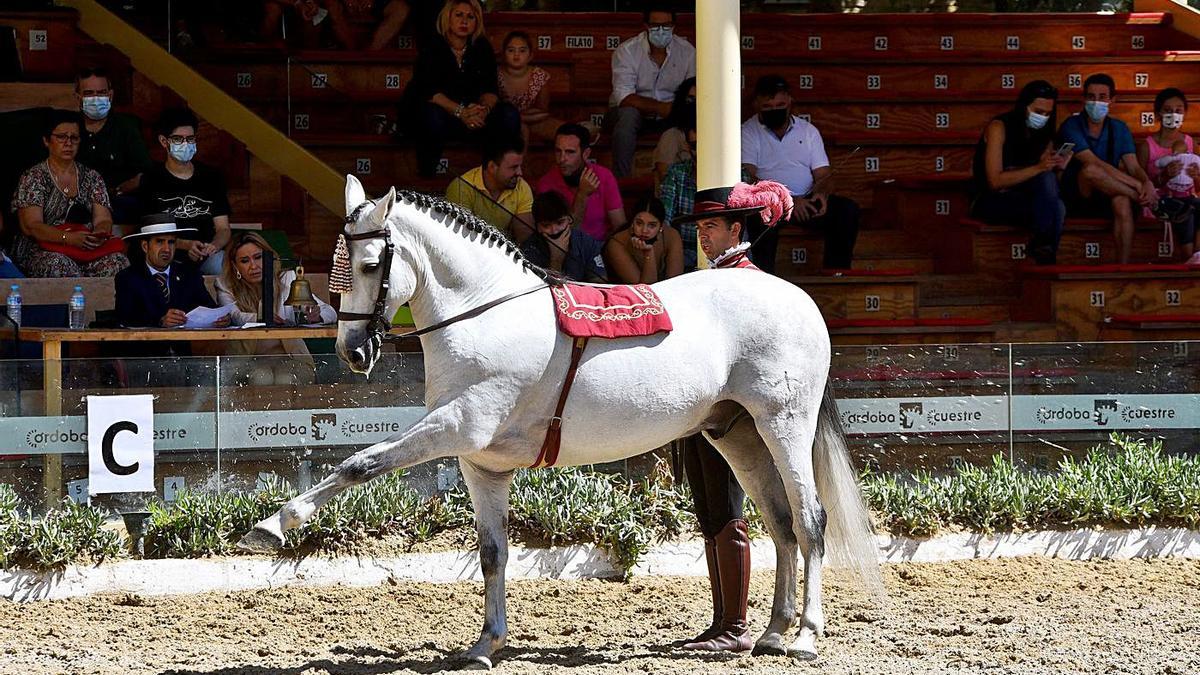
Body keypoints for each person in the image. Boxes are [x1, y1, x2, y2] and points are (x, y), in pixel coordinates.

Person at [667, 180, 793, 653]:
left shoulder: (749, 285)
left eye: (712, 226)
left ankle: (734, 624)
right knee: (709, 510)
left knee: (726, 507)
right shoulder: (710, 282)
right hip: (700, 409)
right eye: (700, 227)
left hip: (734, 415)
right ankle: (723, 620)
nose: (704, 236)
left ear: (736, 229)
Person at [742, 74, 860, 273]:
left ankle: (837, 275)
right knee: (757, 219)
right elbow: (748, 177)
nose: (775, 111)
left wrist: (822, 193)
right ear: (756, 105)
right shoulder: (748, 131)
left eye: (780, 105)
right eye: (768, 107)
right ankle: (763, 280)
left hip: (806, 200)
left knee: (846, 210)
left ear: (789, 101)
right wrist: (787, 199)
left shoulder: (808, 131)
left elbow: (824, 174)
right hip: (770, 203)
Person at [400, 0, 520, 178]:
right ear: (448, 17)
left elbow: (490, 90)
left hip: (473, 116)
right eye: (459, 15)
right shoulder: (433, 45)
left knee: (508, 114)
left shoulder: (481, 47)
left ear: (476, 22)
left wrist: (483, 111)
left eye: (470, 17)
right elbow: (429, 91)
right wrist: (460, 112)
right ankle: (427, 175)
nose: (464, 21)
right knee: (431, 116)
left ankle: (496, 174)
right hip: (443, 113)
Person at [11, 110, 129, 278]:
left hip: (86, 248)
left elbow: (103, 219)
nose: (68, 143)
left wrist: (97, 234)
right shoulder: (34, 177)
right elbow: (31, 226)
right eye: (61, 137)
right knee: (58, 265)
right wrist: (68, 238)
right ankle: (75, 305)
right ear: (46, 141)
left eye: (74, 138)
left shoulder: (92, 177)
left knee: (118, 263)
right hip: (43, 249)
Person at [1058, 73, 1157, 264]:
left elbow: (1133, 165)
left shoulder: (1119, 128)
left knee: (1121, 201)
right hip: (1079, 194)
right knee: (1090, 171)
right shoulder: (1071, 126)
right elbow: (1093, 163)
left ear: (1112, 100)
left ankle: (1122, 266)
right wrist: (1138, 187)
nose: (1096, 102)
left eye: (1102, 97)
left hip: (1110, 191)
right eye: (1091, 97)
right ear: (1084, 99)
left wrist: (1146, 182)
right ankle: (1146, 202)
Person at [215, 231, 336, 385]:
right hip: (247, 360)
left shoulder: (288, 278)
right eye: (245, 261)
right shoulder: (225, 286)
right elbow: (234, 315)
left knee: (286, 379)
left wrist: (316, 316)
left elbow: (330, 312)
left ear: (269, 257)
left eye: (258, 257)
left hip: (289, 358)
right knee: (261, 377)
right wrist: (263, 318)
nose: (253, 266)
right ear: (235, 265)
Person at [969, 80, 1070, 265]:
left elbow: (1046, 184)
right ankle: (1044, 258)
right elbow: (995, 181)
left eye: (1048, 113)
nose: (1043, 117)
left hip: (1026, 196)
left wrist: (1057, 167)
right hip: (991, 199)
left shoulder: (1044, 134)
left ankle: (1042, 253)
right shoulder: (999, 127)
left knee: (1057, 205)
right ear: (1024, 106)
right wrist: (1039, 168)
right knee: (1053, 208)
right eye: (1038, 112)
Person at [606, 4, 695, 178]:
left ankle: (682, 182)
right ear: (646, 26)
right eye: (655, 25)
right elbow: (623, 97)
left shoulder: (688, 52)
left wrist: (676, 109)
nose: (661, 30)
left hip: (671, 115)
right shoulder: (627, 51)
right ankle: (622, 182)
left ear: (674, 26)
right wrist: (660, 107)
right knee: (627, 117)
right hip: (633, 113)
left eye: (667, 25)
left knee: (692, 114)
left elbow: (692, 90)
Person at [139, 107, 232, 275]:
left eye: (190, 139)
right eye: (178, 139)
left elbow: (223, 228)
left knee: (224, 266)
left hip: (206, 255)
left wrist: (213, 246)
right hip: (166, 254)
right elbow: (151, 231)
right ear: (164, 141)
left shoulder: (211, 177)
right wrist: (186, 245)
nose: (185, 144)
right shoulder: (151, 179)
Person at [114, 213, 225, 330]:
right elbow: (124, 317)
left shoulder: (189, 274)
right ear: (145, 246)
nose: (167, 249)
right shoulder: (127, 277)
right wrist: (160, 321)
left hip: (183, 347)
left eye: (171, 242)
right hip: (145, 346)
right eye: (160, 242)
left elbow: (209, 308)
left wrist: (220, 318)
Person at [74, 66, 151, 224]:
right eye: (89, 93)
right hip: (77, 207)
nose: (95, 98)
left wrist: (116, 191)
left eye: (101, 93)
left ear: (110, 95)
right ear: (78, 97)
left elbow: (145, 174)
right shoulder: (68, 128)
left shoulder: (127, 127)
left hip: (119, 204)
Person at [1137, 87, 1200, 263]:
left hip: (1188, 197)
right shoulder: (1146, 146)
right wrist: (1163, 177)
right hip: (1160, 203)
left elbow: (1199, 185)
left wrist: (1196, 176)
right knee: (1185, 210)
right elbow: (1141, 183)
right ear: (1158, 114)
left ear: (1185, 113)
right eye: (1167, 110)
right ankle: (1188, 257)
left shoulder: (1190, 143)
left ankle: (1197, 254)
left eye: (1178, 110)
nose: (1173, 115)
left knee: (1194, 206)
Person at [536, 123, 625, 242]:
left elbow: (620, 227)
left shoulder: (604, 176)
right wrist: (582, 195)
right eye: (558, 151)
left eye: (570, 152)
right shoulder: (546, 184)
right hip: (564, 251)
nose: (562, 159)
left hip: (599, 249)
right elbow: (562, 237)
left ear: (586, 154)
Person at [445, 134, 533, 241]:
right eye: (513, 167)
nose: (520, 173)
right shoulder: (461, 187)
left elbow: (525, 238)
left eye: (520, 166)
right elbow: (461, 239)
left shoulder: (521, 186)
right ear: (492, 167)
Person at [519, 191, 606, 282]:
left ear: (569, 220)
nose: (554, 231)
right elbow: (542, 292)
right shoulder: (528, 251)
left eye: (560, 222)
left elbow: (601, 283)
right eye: (546, 225)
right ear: (537, 226)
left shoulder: (587, 243)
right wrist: (556, 259)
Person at [497, 30, 563, 144]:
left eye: (522, 50)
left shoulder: (539, 75)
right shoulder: (495, 75)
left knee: (568, 131)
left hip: (534, 120)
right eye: (511, 50)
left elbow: (542, 111)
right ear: (503, 54)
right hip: (502, 122)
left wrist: (519, 117)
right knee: (522, 130)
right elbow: (494, 109)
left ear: (530, 55)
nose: (516, 55)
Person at [602, 195, 683, 284]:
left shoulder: (671, 236)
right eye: (639, 223)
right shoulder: (616, 244)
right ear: (632, 223)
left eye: (652, 225)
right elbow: (644, 290)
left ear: (661, 226)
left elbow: (675, 283)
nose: (644, 230)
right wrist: (648, 253)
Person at [653, 77, 695, 186]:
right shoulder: (671, 136)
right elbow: (665, 180)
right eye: (691, 99)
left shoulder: (718, 136)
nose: (695, 104)